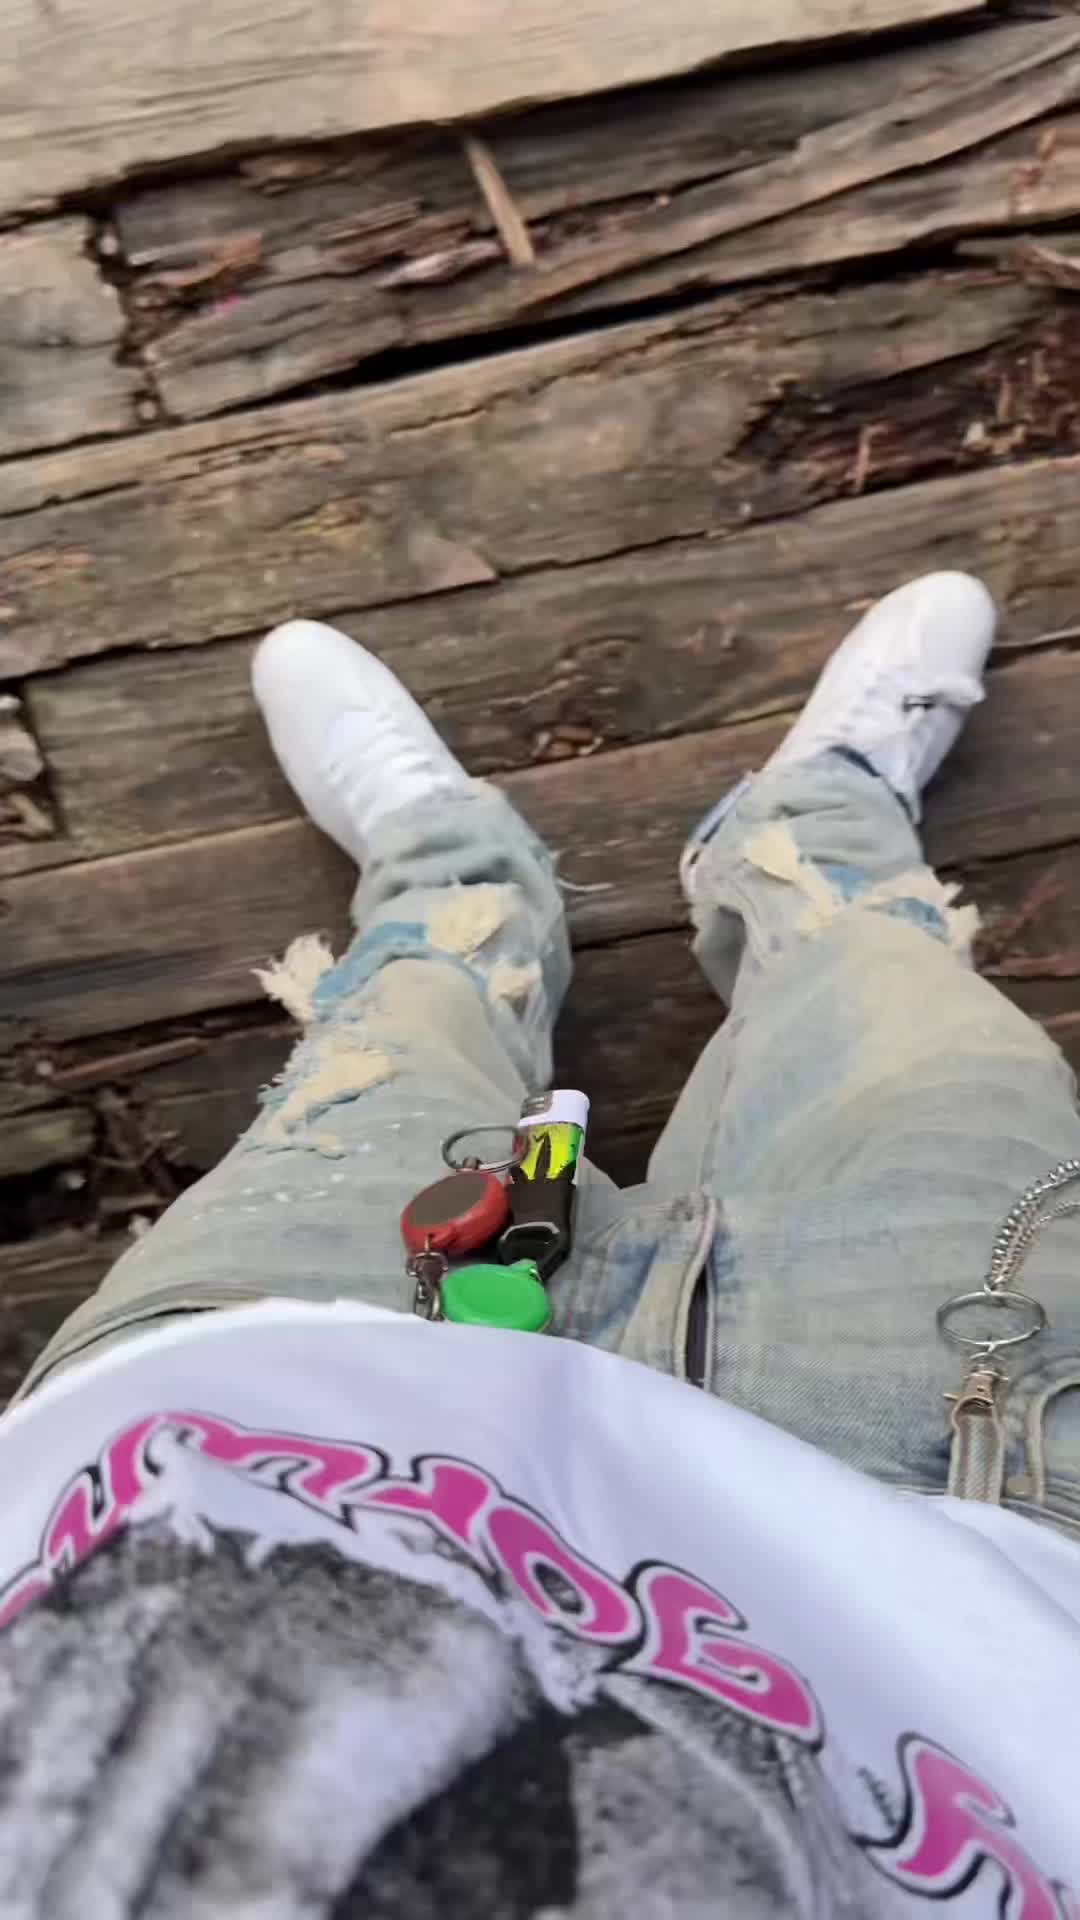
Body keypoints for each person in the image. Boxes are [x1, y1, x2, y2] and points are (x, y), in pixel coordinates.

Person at [0, 573, 1076, 1918]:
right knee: (911, 1022)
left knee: (397, 1041)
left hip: (237, 1440)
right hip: (967, 1526)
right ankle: (820, 831)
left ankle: (454, 875)